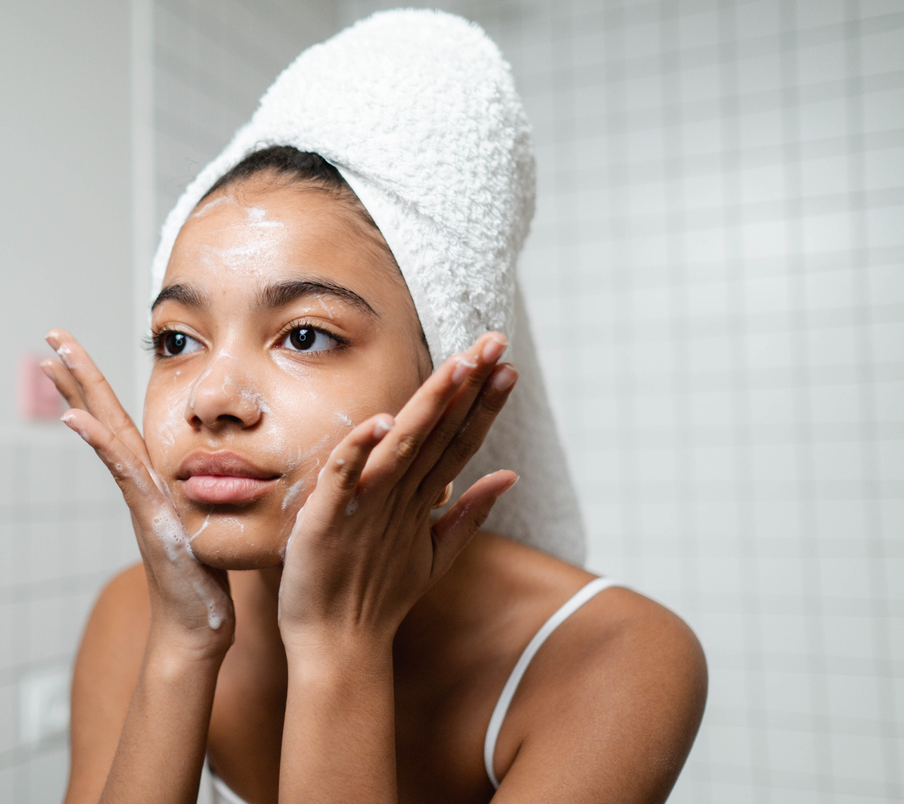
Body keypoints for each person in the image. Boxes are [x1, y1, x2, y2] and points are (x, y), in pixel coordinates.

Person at [47, 11, 706, 804]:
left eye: (303, 335)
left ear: (449, 387)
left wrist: (338, 648)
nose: (212, 399)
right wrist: (184, 646)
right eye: (177, 341)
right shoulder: (141, 616)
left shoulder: (613, 658)